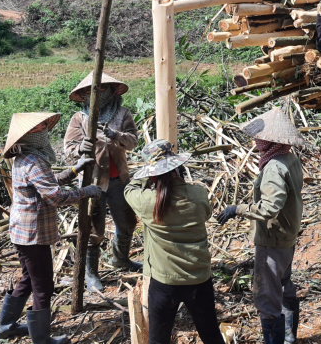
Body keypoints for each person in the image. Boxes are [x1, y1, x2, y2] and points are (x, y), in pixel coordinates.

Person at [0, 112, 101, 344]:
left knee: (29, 278)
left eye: (45, 125)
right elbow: (54, 196)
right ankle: (42, 340)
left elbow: (47, 182)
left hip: (22, 231)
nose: (45, 129)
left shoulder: (25, 158)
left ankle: (6, 326)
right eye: (39, 127)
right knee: (43, 285)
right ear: (27, 136)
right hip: (33, 234)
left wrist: (74, 170)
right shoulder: (33, 161)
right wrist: (86, 192)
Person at [216, 107, 305, 344]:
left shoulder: (275, 167)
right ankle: (289, 338)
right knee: (285, 285)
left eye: (259, 137)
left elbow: (269, 208)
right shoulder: (289, 157)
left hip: (273, 239)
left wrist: (238, 209)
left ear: (269, 139)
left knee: (268, 296)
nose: (256, 140)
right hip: (287, 235)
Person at [124, 140, 226, 344]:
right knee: (211, 335)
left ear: (152, 175)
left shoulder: (147, 202)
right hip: (199, 279)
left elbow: (128, 189)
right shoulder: (198, 194)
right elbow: (206, 214)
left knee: (158, 340)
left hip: (164, 283)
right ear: (178, 168)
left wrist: (145, 176)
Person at [63, 72, 141, 292]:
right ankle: (91, 274)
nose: (94, 95)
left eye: (99, 90)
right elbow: (67, 149)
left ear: (110, 91)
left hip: (119, 180)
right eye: (89, 91)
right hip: (92, 182)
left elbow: (133, 141)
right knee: (92, 230)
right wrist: (79, 149)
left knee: (126, 224)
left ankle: (121, 260)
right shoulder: (80, 118)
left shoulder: (122, 114)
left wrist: (114, 134)